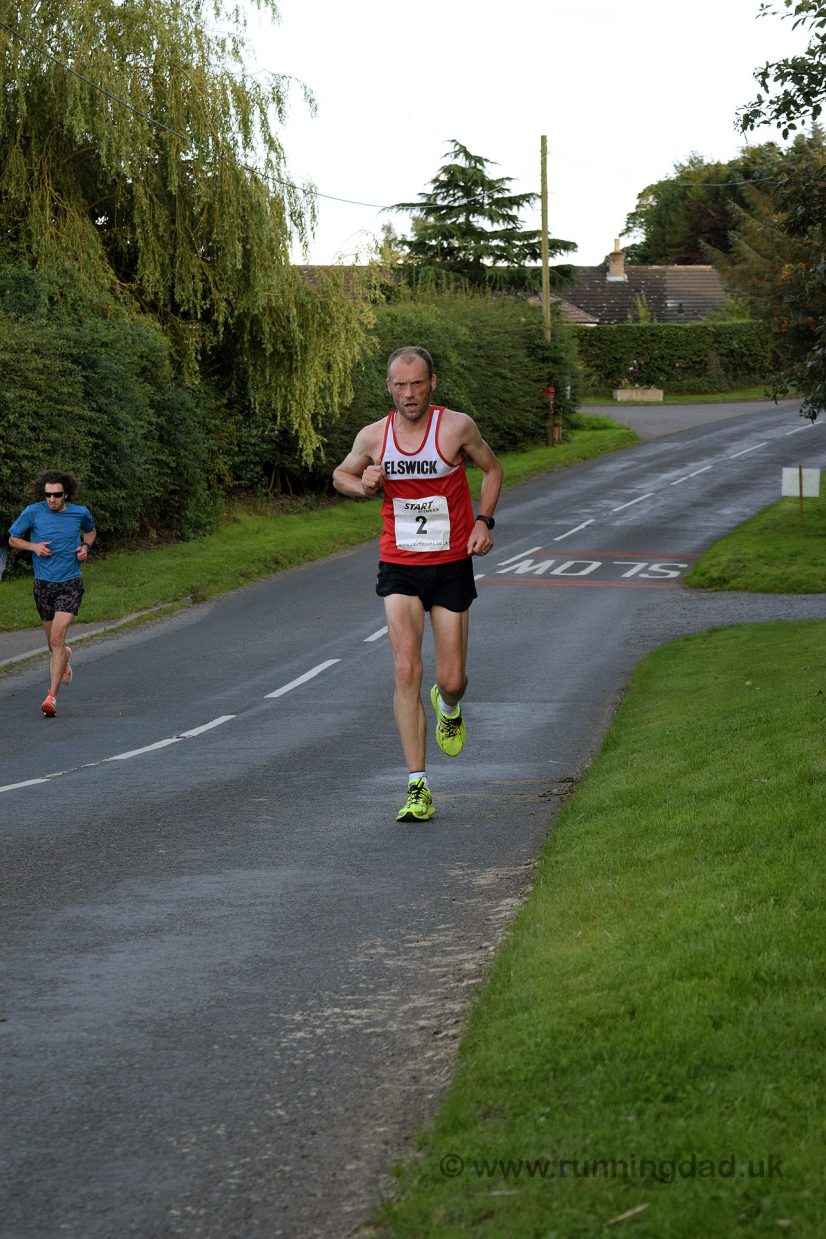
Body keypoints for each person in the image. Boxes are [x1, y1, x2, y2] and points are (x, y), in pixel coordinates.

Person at [333, 345, 503, 823]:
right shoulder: (374, 436)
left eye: (417, 383)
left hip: (450, 563)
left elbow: (492, 469)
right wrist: (362, 485)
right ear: (389, 387)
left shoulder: (456, 428)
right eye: (399, 385)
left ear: (432, 384)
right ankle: (417, 788)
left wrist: (484, 521)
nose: (409, 394)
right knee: (406, 670)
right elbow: (340, 476)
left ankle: (448, 706)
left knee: (451, 678)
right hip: (400, 564)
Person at [8, 471, 96, 717]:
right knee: (53, 642)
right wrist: (33, 546)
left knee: (57, 638)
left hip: (70, 583)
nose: (52, 499)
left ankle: (51, 697)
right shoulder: (33, 512)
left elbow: (90, 532)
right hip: (43, 586)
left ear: (66, 493)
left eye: (57, 495)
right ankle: (64, 658)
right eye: (48, 495)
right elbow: (13, 539)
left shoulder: (80, 513)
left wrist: (85, 547)